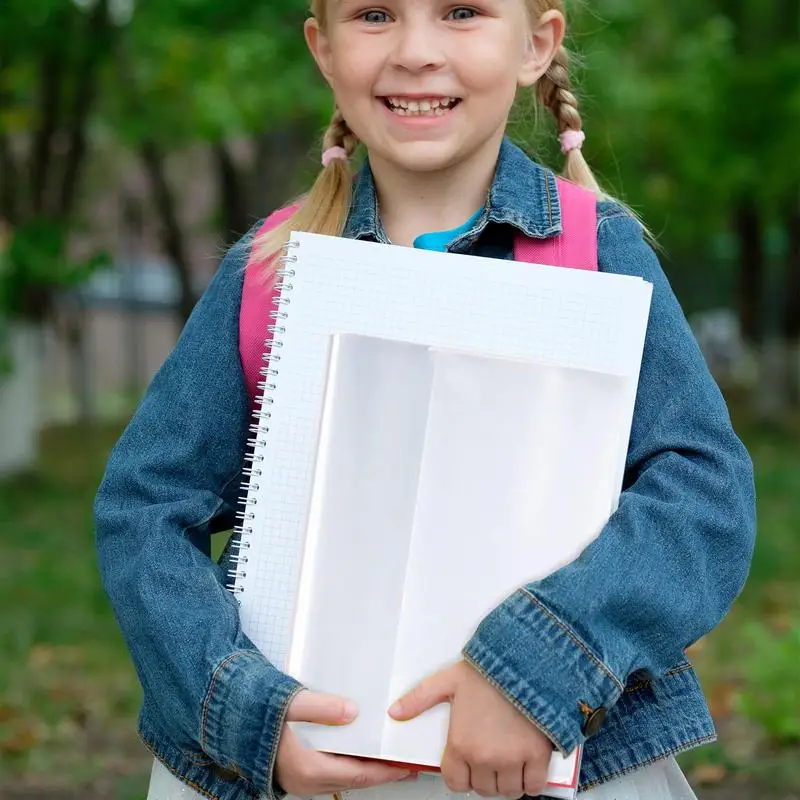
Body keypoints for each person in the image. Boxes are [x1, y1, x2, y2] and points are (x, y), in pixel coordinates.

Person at [94, 1, 756, 799]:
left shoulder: (597, 253)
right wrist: (248, 717)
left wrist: (535, 672)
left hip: (569, 759)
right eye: (375, 14)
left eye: (461, 12)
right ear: (324, 49)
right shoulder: (269, 270)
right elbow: (143, 507)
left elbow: (706, 493)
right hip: (303, 769)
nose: (416, 51)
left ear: (536, 45)